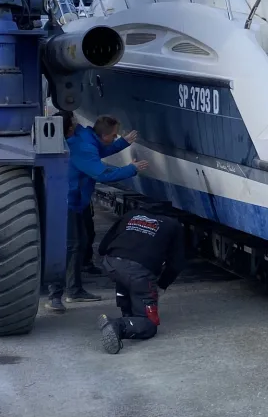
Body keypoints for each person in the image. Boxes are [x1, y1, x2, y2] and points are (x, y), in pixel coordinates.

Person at [47, 113, 149, 314]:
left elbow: (99, 150)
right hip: (68, 201)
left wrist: (122, 143)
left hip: (76, 199)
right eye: (114, 135)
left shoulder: (85, 137)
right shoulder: (83, 145)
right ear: (103, 135)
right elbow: (102, 173)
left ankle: (72, 285)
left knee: (82, 241)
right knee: (72, 245)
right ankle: (61, 293)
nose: (115, 137)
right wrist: (132, 169)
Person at [95, 206, 186, 354]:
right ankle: (118, 325)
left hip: (111, 264)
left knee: (124, 274)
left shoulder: (131, 214)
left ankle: (127, 312)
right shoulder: (173, 225)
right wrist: (162, 285)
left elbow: (104, 246)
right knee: (150, 324)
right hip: (138, 273)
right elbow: (177, 264)